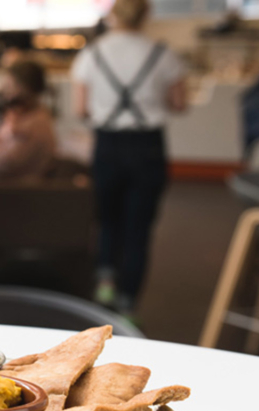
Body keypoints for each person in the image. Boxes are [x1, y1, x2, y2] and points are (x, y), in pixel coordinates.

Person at [71, 0, 186, 318]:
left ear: (113, 15)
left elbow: (81, 110)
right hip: (147, 146)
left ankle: (105, 278)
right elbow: (179, 103)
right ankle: (127, 301)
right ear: (146, 15)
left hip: (107, 144)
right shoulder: (164, 54)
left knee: (106, 218)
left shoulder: (91, 54)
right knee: (139, 226)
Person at [0, 59, 56, 182]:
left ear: (25, 89)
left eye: (9, 87)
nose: (5, 95)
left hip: (12, 193)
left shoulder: (32, 124)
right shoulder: (16, 118)